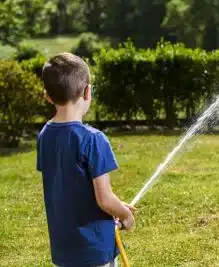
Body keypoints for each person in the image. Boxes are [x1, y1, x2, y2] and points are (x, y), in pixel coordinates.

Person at [36, 52, 135, 267]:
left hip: (64, 251)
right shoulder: (93, 139)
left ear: (48, 96)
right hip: (95, 251)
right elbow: (104, 199)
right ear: (87, 92)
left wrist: (116, 206)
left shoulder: (45, 135)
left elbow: (71, 188)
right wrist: (125, 215)